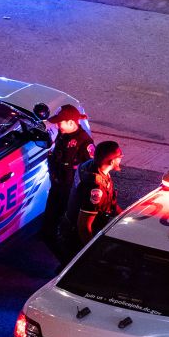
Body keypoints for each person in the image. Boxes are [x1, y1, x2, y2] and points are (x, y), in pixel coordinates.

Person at [57, 140, 123, 263]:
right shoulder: (95, 188)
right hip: (77, 240)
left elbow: (110, 203)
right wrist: (93, 252)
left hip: (69, 230)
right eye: (120, 156)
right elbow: (84, 227)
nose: (121, 159)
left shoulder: (89, 166)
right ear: (111, 161)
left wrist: (125, 216)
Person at [42, 104, 94, 254]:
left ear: (71, 122)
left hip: (70, 194)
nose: (58, 125)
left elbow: (90, 173)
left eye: (60, 122)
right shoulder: (63, 134)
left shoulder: (84, 143)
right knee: (48, 232)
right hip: (57, 188)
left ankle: (66, 264)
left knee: (64, 233)